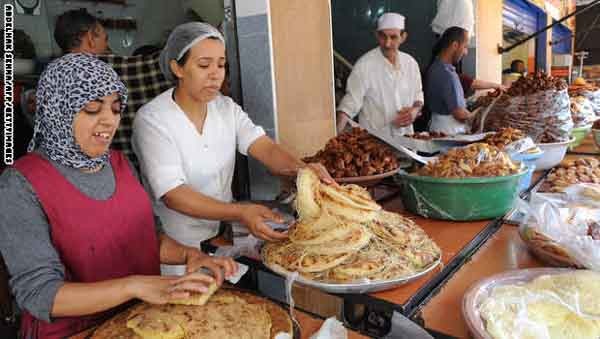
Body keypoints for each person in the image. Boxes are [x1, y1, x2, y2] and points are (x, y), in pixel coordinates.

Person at [0, 53, 237, 339]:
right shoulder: (21, 184)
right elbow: (41, 294)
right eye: (91, 108)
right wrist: (134, 286)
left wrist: (189, 255)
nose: (108, 121)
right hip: (76, 332)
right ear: (58, 109)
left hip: (143, 322)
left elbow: (151, 237)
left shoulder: (119, 164)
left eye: (115, 109)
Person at [132, 22, 334, 263]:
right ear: (177, 68)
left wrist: (303, 171)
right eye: (204, 65)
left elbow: (266, 148)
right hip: (177, 250)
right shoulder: (153, 120)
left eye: (221, 64)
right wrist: (240, 212)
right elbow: (173, 195)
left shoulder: (225, 108)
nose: (216, 74)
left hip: (222, 238)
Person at [336, 12, 424, 138]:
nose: (387, 43)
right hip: (375, 144)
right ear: (377, 35)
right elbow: (350, 104)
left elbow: (418, 95)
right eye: (383, 36)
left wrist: (415, 111)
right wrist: (334, 138)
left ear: (403, 37)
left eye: (393, 37)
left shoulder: (411, 64)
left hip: (407, 141)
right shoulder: (364, 65)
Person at [425, 26, 472, 135]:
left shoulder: (438, 66)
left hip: (441, 127)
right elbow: (459, 114)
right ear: (455, 45)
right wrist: (480, 117)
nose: (466, 52)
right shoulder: (445, 73)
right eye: (465, 47)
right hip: (449, 131)